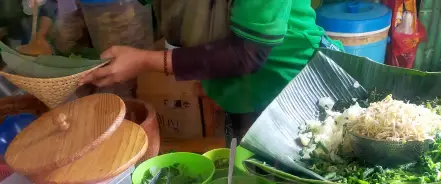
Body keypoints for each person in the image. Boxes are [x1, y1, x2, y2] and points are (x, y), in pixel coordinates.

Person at [79, 0, 339, 138]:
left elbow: (249, 52)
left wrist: (145, 61)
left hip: (294, 87)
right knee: (243, 179)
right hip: (236, 89)